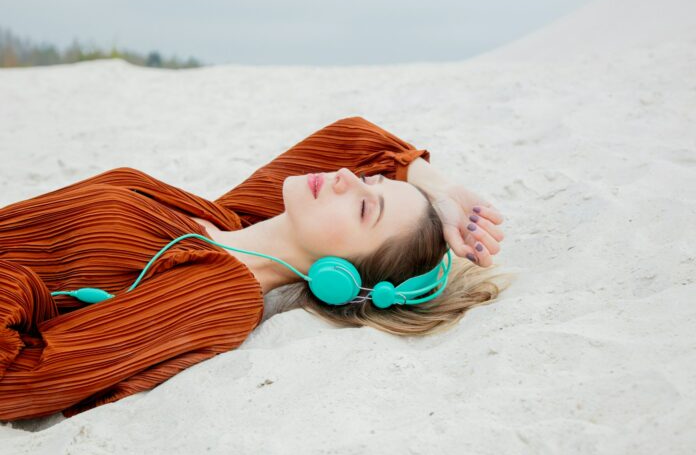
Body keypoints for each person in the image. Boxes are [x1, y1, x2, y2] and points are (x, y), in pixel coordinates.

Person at [0, 116, 509, 421]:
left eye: (363, 209)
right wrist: (440, 192)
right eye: (368, 180)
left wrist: (18, 284)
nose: (344, 178)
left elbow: (29, 377)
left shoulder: (221, 292)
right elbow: (354, 136)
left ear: (340, 277)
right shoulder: (239, 217)